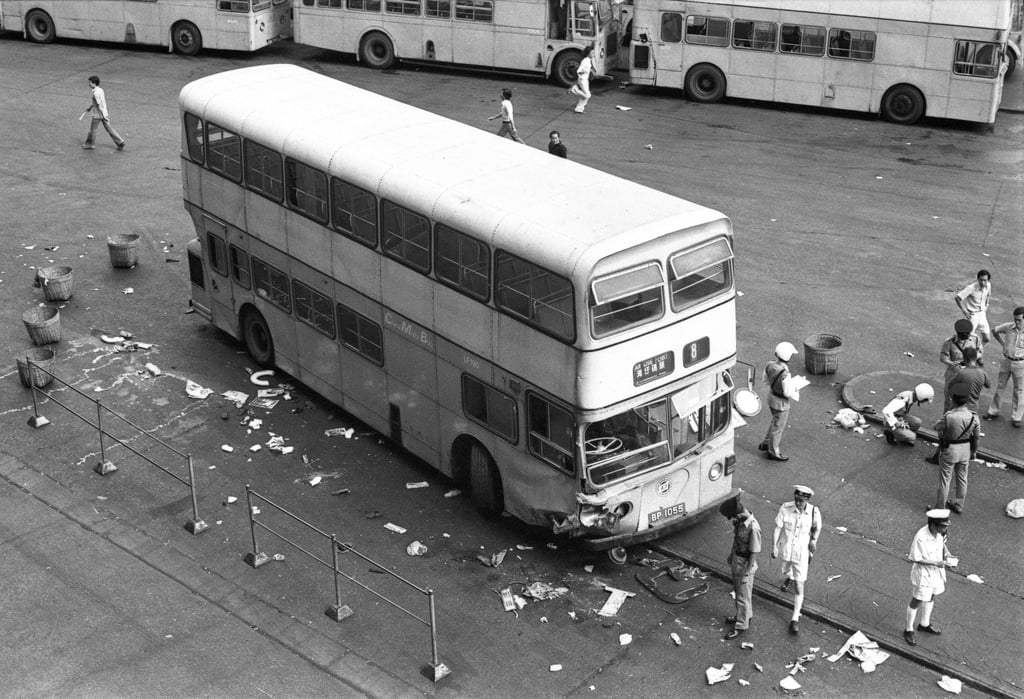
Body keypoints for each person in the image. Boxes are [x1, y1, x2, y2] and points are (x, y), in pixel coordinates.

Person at [771, 485, 821, 635]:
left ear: (807, 500)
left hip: (801, 554)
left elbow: (817, 528)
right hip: (786, 551)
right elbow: (778, 527)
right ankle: (790, 576)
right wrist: (774, 546)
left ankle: (794, 619)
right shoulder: (785, 508)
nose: (798, 503)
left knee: (800, 587)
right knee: (785, 570)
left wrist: (814, 541)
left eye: (801, 500)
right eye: (796, 499)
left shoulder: (813, 512)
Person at [903, 508, 953, 646]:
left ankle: (924, 624)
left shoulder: (940, 532)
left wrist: (947, 554)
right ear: (933, 524)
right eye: (942, 527)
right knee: (917, 600)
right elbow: (915, 558)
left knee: (931, 596)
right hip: (924, 574)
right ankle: (908, 629)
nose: (944, 530)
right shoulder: (921, 537)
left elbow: (942, 544)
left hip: (936, 572)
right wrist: (937, 563)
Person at [932, 383, 979, 514]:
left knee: (945, 480)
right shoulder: (974, 417)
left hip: (950, 450)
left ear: (953, 399)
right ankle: (959, 504)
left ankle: (939, 508)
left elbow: (936, 427)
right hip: (965, 450)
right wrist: (973, 451)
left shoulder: (949, 416)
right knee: (962, 477)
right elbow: (976, 437)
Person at [720, 495, 761, 639]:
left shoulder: (753, 527)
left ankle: (741, 625)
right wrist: (732, 555)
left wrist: (746, 573)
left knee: (742, 597)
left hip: (745, 564)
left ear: (737, 513)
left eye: (732, 516)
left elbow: (754, 552)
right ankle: (745, 615)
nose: (732, 520)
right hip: (737, 560)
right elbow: (737, 540)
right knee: (740, 593)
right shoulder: (741, 521)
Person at [984, 306, 1024, 428]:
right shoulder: (1008, 327)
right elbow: (994, 331)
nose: (1016, 322)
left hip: (1020, 363)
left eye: (1019, 320)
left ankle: (1017, 417)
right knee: (1000, 386)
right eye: (1015, 319)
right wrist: (1003, 344)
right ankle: (993, 410)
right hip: (1006, 360)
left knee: (1019, 390)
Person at [758, 341, 799, 461]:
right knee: (778, 427)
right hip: (781, 403)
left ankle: (766, 442)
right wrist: (795, 388)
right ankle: (773, 451)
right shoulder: (785, 373)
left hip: (771, 397)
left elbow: (765, 380)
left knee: (774, 421)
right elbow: (787, 392)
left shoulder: (770, 365)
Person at [939, 319, 984, 410]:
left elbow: (980, 352)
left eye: (967, 334)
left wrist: (972, 358)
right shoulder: (949, 342)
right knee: (950, 400)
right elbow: (943, 358)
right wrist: (952, 363)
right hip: (954, 374)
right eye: (963, 335)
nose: (966, 337)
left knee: (968, 400)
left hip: (969, 374)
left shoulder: (975, 339)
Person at [82, 75, 126, 151]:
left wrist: (100, 114)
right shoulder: (101, 90)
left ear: (94, 83)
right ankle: (120, 142)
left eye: (90, 83)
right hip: (104, 113)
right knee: (109, 129)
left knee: (93, 129)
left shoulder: (95, 93)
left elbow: (99, 104)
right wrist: (90, 108)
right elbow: (97, 103)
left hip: (98, 114)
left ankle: (90, 144)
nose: (89, 84)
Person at [954, 270, 992, 345]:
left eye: (985, 280)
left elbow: (988, 294)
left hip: (982, 314)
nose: (983, 282)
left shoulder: (988, 285)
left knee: (987, 339)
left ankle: (977, 351)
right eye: (981, 280)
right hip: (973, 316)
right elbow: (957, 298)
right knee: (966, 339)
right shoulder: (971, 288)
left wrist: (987, 304)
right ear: (978, 279)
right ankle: (961, 352)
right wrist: (964, 311)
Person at [569, 46, 594, 113]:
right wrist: (584, 72)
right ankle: (574, 89)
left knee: (585, 96)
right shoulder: (585, 60)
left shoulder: (588, 60)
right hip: (582, 80)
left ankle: (579, 108)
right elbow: (579, 71)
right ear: (588, 53)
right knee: (588, 95)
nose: (593, 54)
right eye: (592, 53)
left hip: (585, 80)